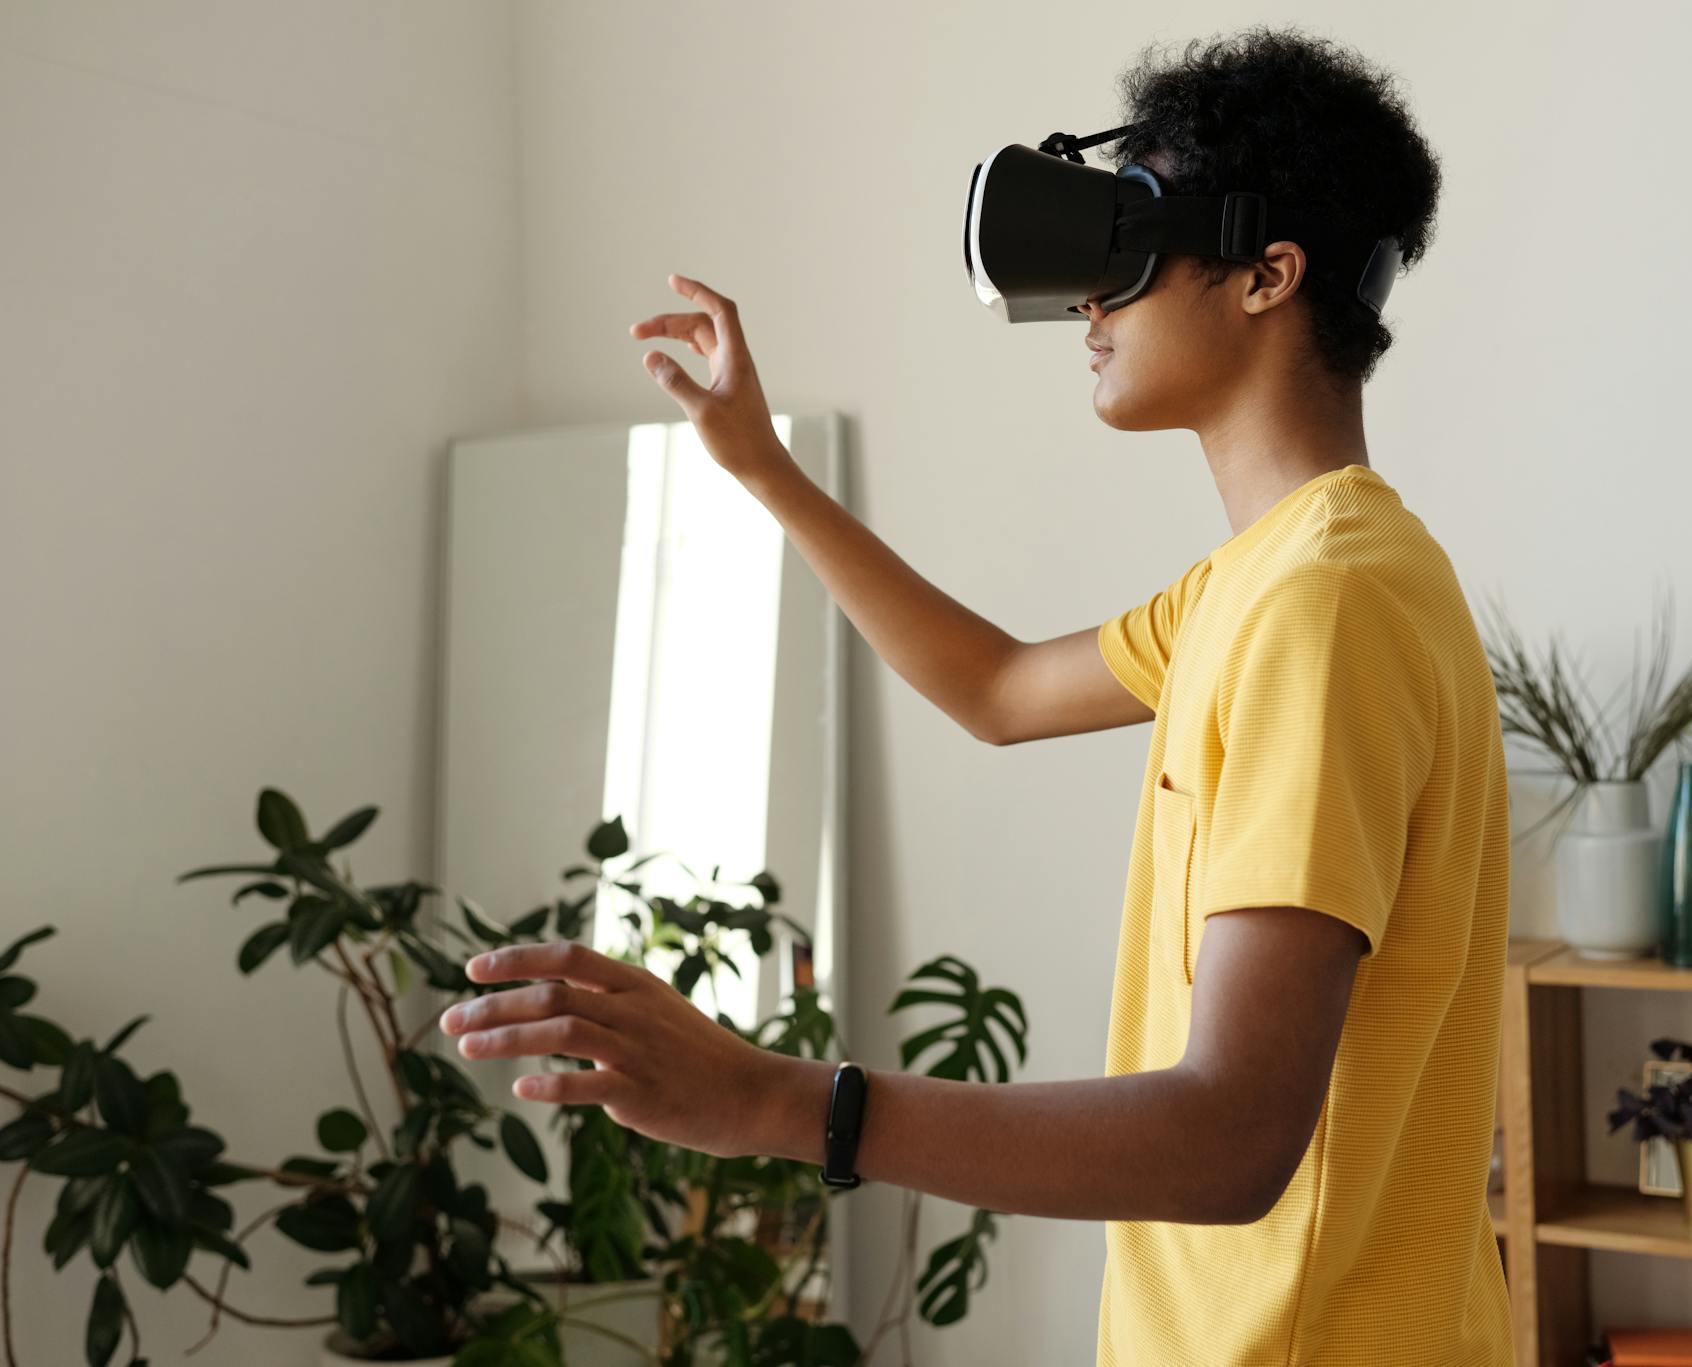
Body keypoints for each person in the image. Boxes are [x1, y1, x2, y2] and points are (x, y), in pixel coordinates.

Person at [440, 25, 1513, 1365]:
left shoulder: (1325, 604)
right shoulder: (1272, 583)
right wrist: (767, 470)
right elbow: (997, 687)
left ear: (1266, 275)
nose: (1087, 306)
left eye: (1128, 243)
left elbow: (1235, 1136)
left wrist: (783, 1102)